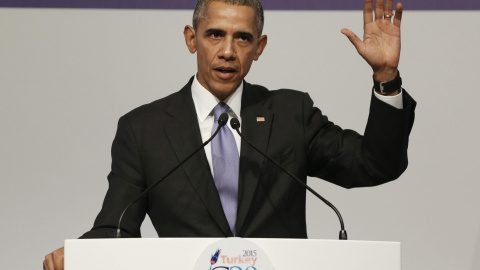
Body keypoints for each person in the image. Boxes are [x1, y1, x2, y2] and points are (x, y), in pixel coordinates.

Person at [43, 0, 416, 269]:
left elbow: (374, 164)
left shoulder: (290, 114)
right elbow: (117, 226)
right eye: (215, 35)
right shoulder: (144, 129)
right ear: (192, 39)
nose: (227, 51)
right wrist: (77, 255)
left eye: (242, 38)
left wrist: (386, 79)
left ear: (259, 47)